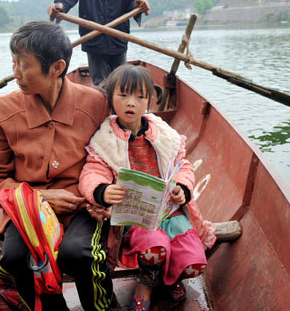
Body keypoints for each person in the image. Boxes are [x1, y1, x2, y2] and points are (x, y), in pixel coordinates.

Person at [0, 21, 114, 311]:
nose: (15, 73)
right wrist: (39, 197)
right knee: (16, 257)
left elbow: (114, 156)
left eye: (23, 65)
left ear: (56, 67)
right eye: (13, 62)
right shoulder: (0, 111)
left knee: (78, 253)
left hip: (82, 205)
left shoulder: (96, 104)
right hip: (26, 210)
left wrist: (106, 196)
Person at [78, 64, 216, 311]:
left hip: (169, 211)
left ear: (149, 101)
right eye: (123, 95)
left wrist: (182, 189)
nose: (131, 103)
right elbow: (92, 172)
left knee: (195, 263)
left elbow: (182, 166)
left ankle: (169, 278)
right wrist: (102, 191)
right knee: (155, 248)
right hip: (134, 215)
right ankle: (146, 283)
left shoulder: (163, 132)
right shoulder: (104, 138)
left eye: (139, 96)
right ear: (110, 98)